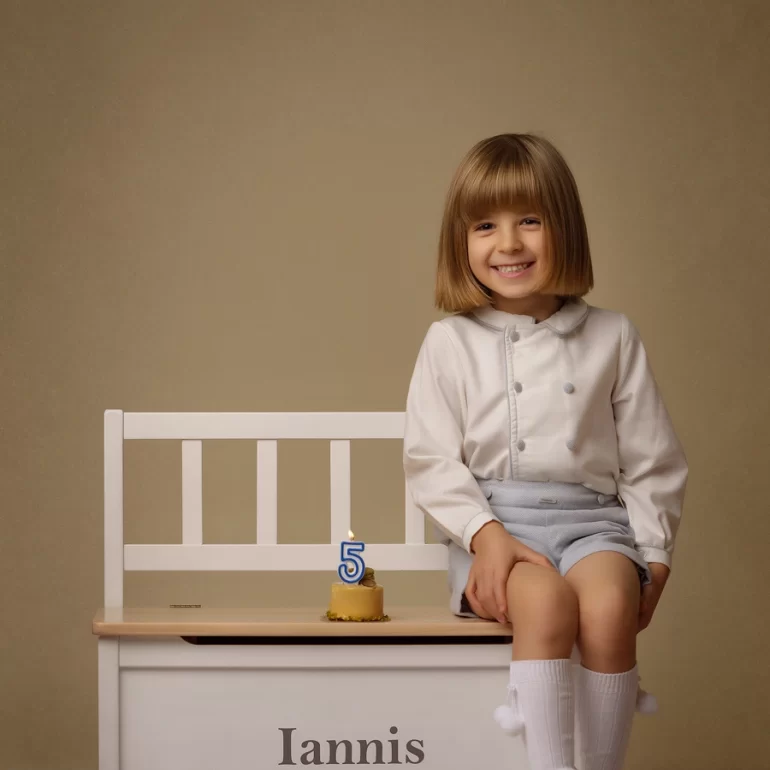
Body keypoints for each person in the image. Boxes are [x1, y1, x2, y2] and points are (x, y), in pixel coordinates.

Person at [402, 133, 688, 770]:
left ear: (567, 229)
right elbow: (430, 459)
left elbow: (651, 458)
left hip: (596, 524)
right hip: (502, 530)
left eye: (529, 220)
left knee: (611, 604)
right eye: (485, 225)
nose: (508, 243)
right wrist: (484, 535)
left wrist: (656, 555)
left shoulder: (612, 336)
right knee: (547, 604)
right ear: (461, 242)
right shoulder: (450, 342)